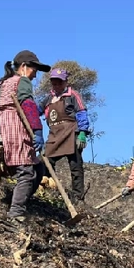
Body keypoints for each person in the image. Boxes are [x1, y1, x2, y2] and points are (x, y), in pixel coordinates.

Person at [0, 50, 50, 222]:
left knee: (38, 169)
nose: (35, 74)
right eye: (34, 69)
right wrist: (37, 130)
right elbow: (28, 105)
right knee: (26, 173)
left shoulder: (1, 83)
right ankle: (16, 213)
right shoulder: (22, 81)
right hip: (14, 129)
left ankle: (18, 198)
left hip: (2, 129)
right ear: (23, 67)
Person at [38, 68, 90, 202]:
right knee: (46, 160)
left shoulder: (73, 95)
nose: (57, 86)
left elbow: (81, 112)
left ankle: (78, 196)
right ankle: (48, 186)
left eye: (59, 83)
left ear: (65, 82)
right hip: (55, 134)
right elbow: (37, 111)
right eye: (54, 83)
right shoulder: (49, 99)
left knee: (75, 165)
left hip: (71, 133)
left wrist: (82, 132)